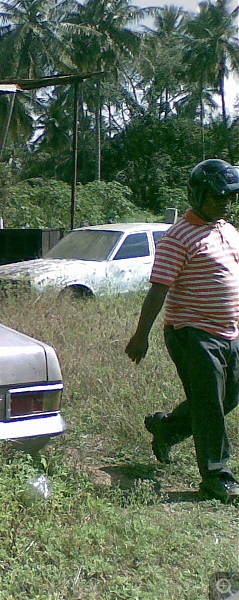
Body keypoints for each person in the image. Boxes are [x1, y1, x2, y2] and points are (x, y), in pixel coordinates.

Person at [125, 158, 239, 504]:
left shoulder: (227, 229)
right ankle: (217, 477)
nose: (225, 204)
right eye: (218, 197)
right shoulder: (178, 237)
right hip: (192, 333)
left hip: (229, 333)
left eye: (230, 198)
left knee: (227, 398)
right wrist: (140, 334)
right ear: (198, 194)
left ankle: (166, 428)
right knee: (209, 406)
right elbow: (159, 288)